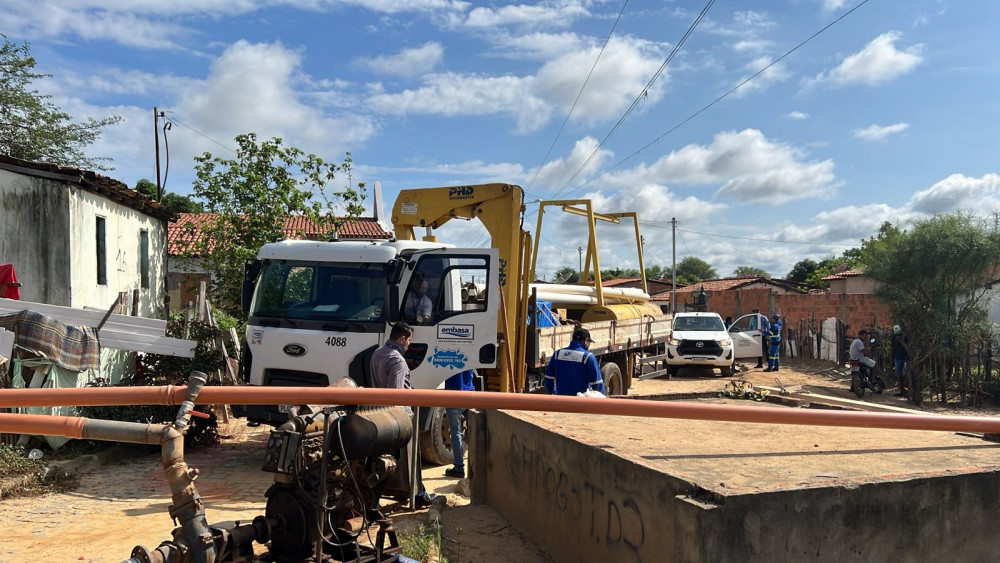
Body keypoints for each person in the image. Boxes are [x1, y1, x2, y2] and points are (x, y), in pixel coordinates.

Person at [369, 322, 438, 508]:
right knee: (407, 457)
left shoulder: (378, 353)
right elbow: (396, 394)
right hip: (398, 416)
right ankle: (416, 495)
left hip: (379, 413)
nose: (409, 345)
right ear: (401, 338)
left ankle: (376, 499)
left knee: (384, 459)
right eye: (409, 340)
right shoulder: (397, 360)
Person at [544, 327, 605, 396]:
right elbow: (597, 384)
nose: (589, 345)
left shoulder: (557, 354)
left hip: (561, 401)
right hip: (579, 402)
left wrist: (553, 394)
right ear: (586, 340)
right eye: (589, 342)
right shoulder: (588, 357)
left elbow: (548, 378)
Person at [444, 369, 474, 478]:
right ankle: (478, 464)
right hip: (469, 394)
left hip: (453, 396)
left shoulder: (448, 355)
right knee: (474, 431)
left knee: (455, 433)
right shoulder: (467, 355)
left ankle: (459, 468)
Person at [891, 325, 909, 397]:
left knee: (905, 374)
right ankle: (902, 390)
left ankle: (907, 390)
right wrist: (892, 359)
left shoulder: (907, 337)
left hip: (906, 358)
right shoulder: (894, 337)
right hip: (898, 357)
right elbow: (892, 348)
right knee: (899, 375)